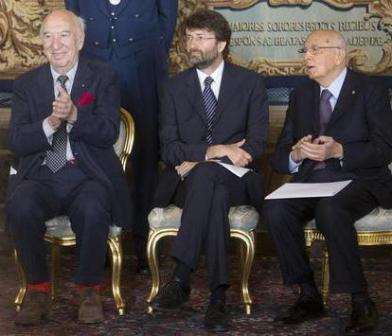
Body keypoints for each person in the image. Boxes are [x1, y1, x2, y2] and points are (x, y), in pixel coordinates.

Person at [6, 9, 131, 325]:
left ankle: (88, 290)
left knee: (92, 207)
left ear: (80, 40)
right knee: (20, 205)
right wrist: (49, 123)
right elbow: (18, 142)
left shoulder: (103, 76)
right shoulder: (26, 84)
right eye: (48, 36)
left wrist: (75, 115)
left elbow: (107, 132)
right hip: (41, 173)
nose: (55, 44)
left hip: (86, 173)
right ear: (41, 43)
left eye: (63, 35)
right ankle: (36, 289)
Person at [263, 30, 392, 334]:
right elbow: (280, 157)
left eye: (314, 50)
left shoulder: (370, 89)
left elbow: (385, 148)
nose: (306, 56)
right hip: (312, 180)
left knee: (330, 209)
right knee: (275, 209)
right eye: (304, 50)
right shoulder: (301, 95)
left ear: (338, 54)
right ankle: (308, 294)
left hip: (361, 179)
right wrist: (295, 154)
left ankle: (360, 300)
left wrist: (340, 150)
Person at [150, 9, 268, 332]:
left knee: (206, 175)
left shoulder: (250, 83)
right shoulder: (174, 88)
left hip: (239, 181)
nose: (192, 45)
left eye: (201, 38)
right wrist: (217, 150)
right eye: (189, 37)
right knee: (210, 189)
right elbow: (169, 149)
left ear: (221, 44)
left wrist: (201, 158)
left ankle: (181, 278)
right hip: (192, 183)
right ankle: (217, 297)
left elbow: (255, 145)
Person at [64, 0, 178, 273]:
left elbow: (167, 18)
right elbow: (73, 12)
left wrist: (147, 52)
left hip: (143, 71)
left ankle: (143, 242)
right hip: (92, 70)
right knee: (92, 150)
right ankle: (97, 242)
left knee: (146, 158)